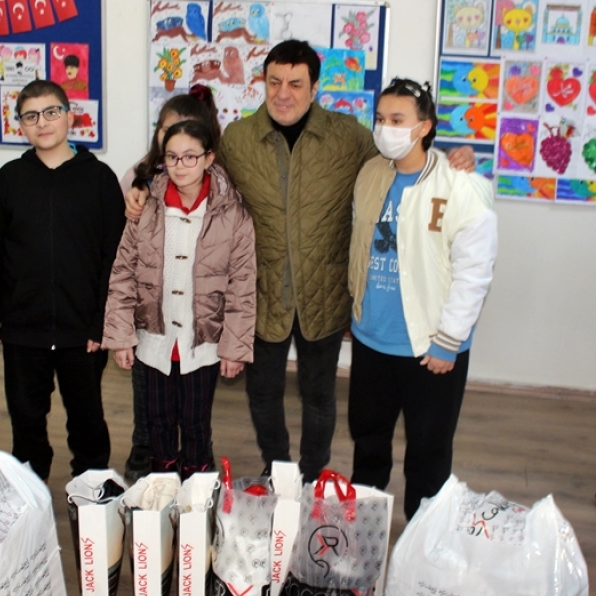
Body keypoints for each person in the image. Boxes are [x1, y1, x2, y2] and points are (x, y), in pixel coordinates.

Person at [126, 41, 474, 483]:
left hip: (323, 294)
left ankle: (310, 474)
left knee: (319, 395)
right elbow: (194, 172)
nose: (283, 93)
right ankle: (277, 469)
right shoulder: (239, 139)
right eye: (274, 82)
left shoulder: (348, 136)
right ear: (263, 83)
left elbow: (401, 161)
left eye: (295, 83)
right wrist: (144, 185)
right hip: (261, 292)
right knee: (263, 394)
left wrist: (450, 156)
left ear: (314, 88)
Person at [347, 78, 497, 519]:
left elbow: (474, 272)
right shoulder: (370, 174)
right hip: (373, 339)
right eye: (380, 119)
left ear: (424, 126)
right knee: (368, 441)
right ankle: (365, 528)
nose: (385, 128)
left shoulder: (460, 184)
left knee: (429, 452)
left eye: (398, 120)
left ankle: (422, 537)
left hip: (431, 347)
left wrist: (450, 339)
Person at [102, 119, 256, 480]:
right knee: (157, 422)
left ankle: (196, 492)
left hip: (203, 344)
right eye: (172, 157)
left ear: (209, 158)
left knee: (196, 423)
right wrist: (121, 336)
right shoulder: (146, 209)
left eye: (190, 157)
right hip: (153, 341)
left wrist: (234, 347)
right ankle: (162, 487)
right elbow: (122, 274)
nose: (180, 165)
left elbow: (243, 285)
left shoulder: (232, 214)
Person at [0, 79, 125, 481]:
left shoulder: (99, 179)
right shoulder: (8, 180)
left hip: (81, 330)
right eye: (31, 116)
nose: (42, 122)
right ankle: (30, 492)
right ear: (20, 126)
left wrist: (102, 321)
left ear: (70, 117)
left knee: (87, 420)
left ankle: (92, 490)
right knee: (26, 419)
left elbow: (113, 258)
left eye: (51, 112)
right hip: (23, 329)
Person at [119, 84, 222, 482]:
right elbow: (126, 258)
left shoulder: (219, 187)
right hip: (152, 316)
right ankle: (146, 451)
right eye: (167, 129)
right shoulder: (140, 179)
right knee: (149, 396)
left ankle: (197, 463)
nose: (176, 139)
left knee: (193, 408)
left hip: (195, 319)